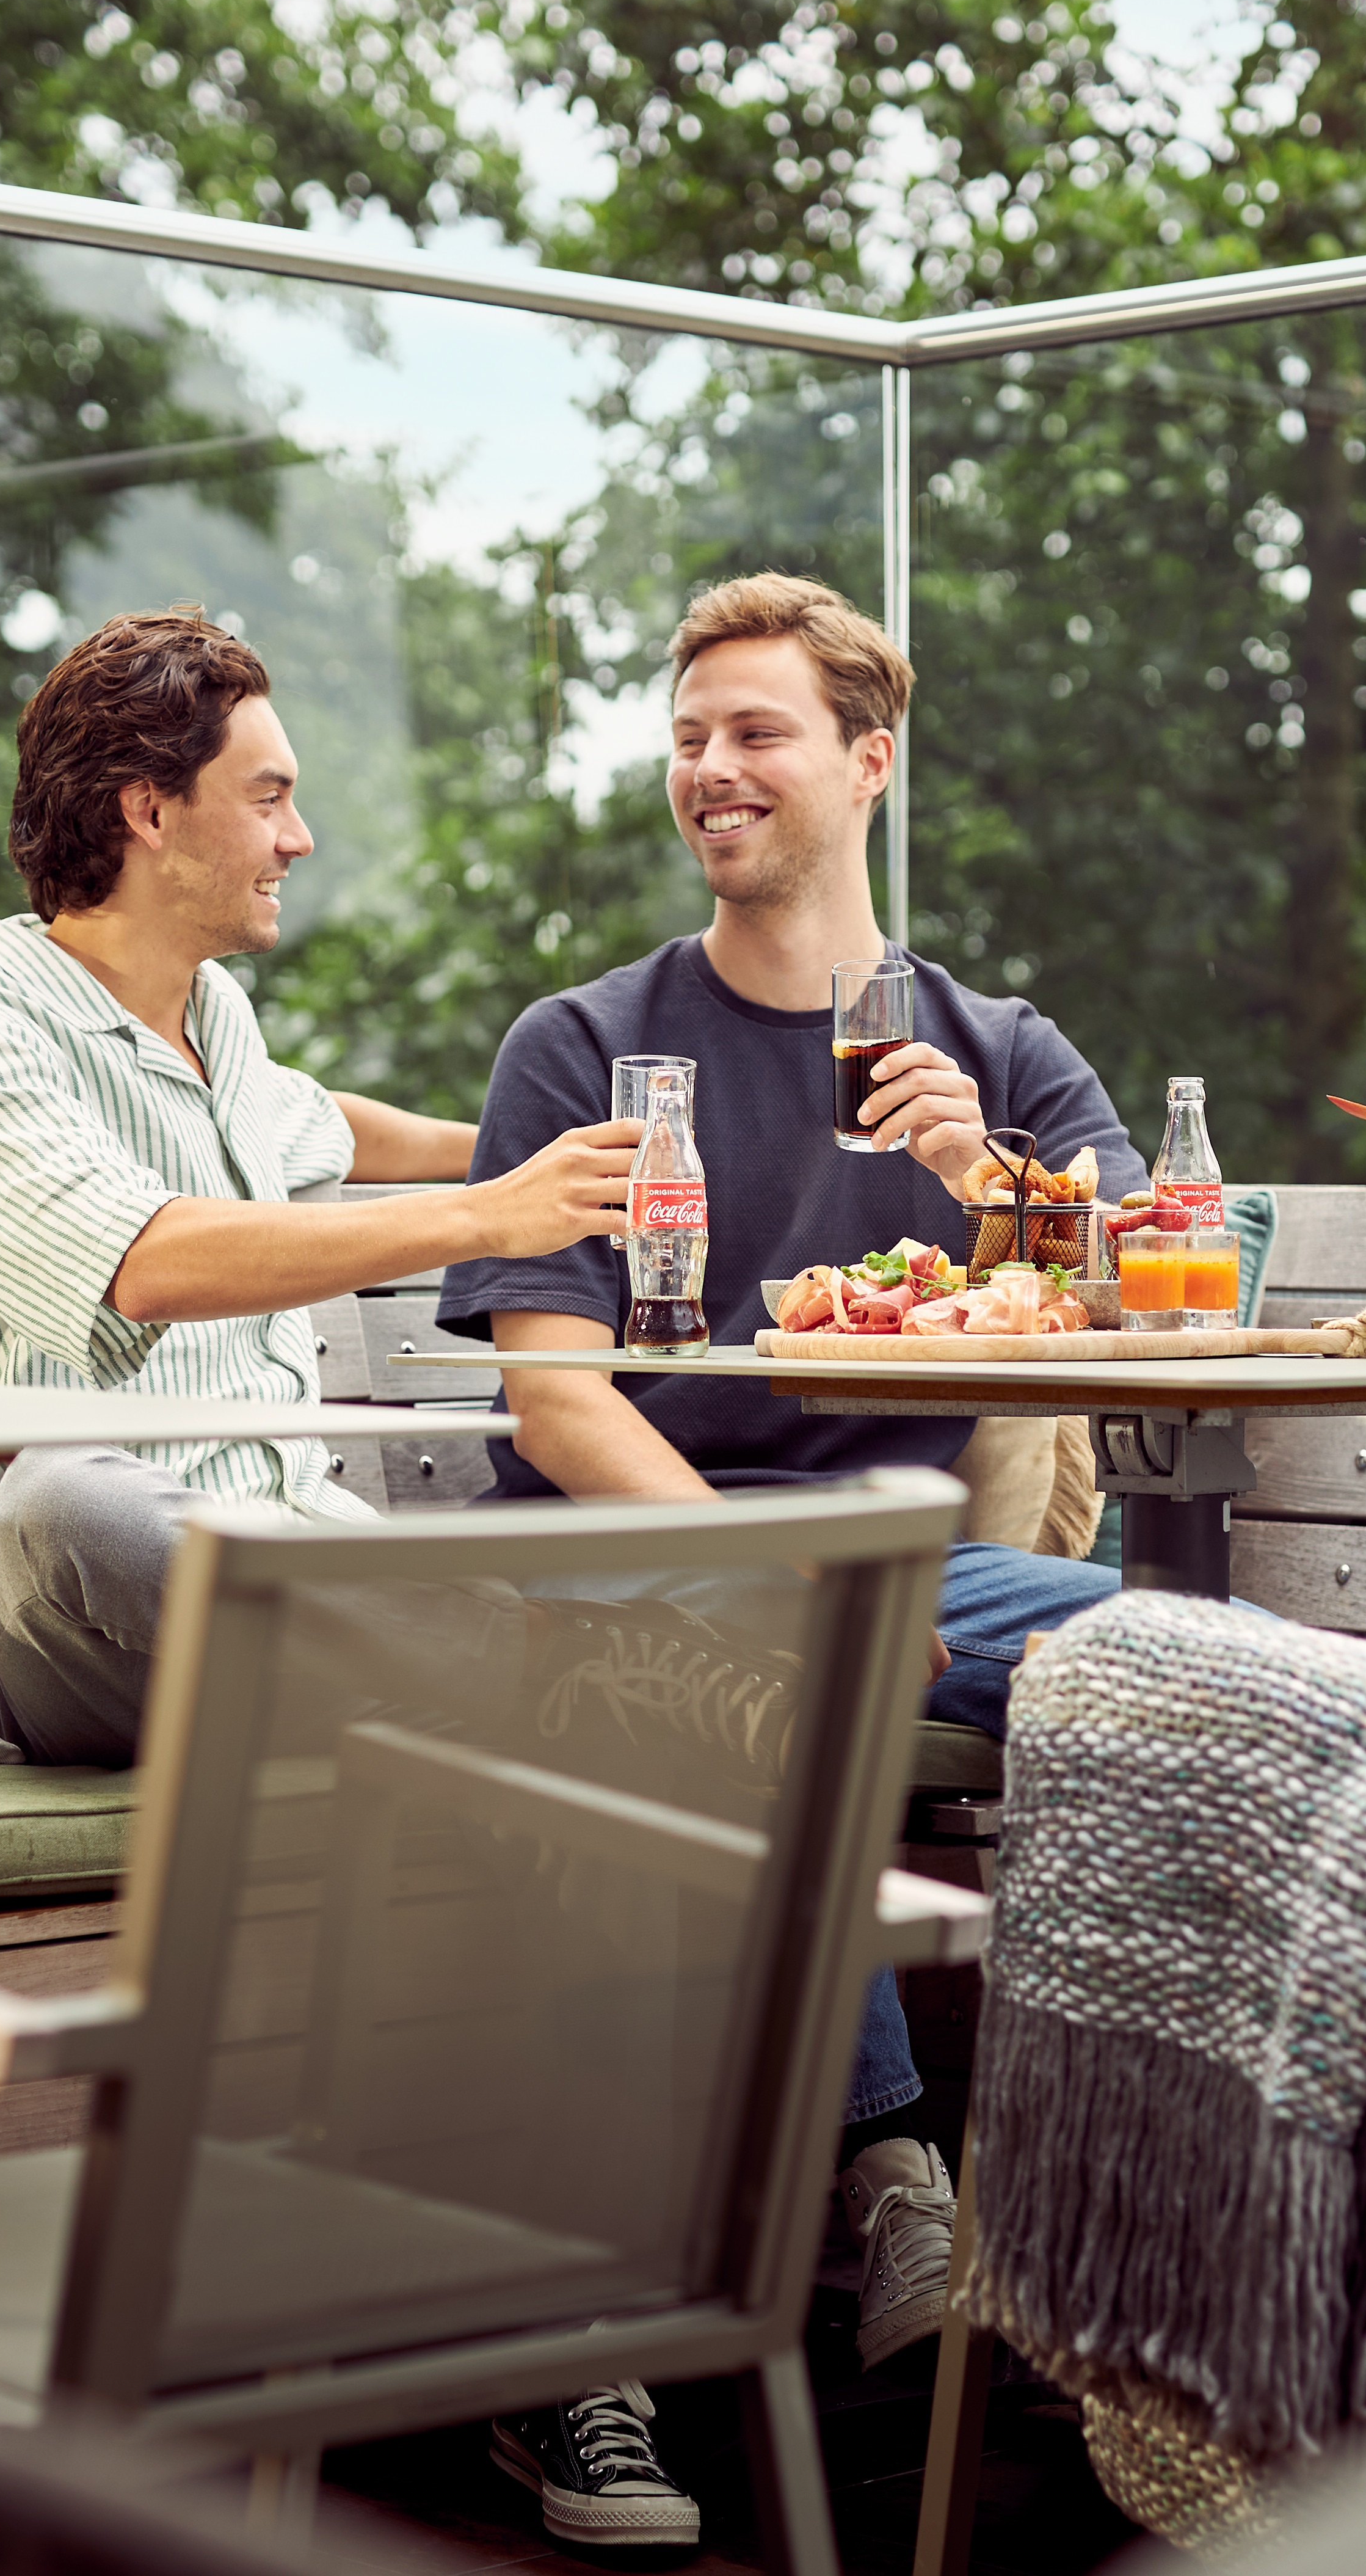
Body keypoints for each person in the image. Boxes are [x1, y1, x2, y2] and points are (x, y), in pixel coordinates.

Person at [0, 607, 792, 2552]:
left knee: (494, 1757)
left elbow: (349, 1137)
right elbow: (147, 1261)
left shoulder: (222, 1037)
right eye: (268, 797)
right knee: (67, 1496)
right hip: (80, 1628)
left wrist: (622, 1162)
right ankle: (549, 1667)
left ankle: (567, 2347)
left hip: (312, 1609)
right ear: (146, 810)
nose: (297, 838)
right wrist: (476, 1217)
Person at [437, 573, 1141, 2413]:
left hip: (912, 1566)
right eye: (686, 739)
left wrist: (990, 1182)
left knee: (1179, 1678)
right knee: (787, 1666)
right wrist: (768, 1559)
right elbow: (556, 1397)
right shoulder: (579, 1047)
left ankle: (1146, 2241)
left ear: (867, 764)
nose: (709, 770)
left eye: (754, 733)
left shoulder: (1000, 1055)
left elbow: (1151, 1292)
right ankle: (897, 2178)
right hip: (629, 1559)